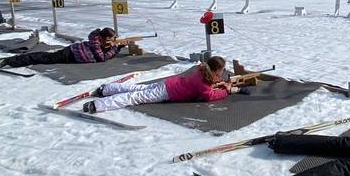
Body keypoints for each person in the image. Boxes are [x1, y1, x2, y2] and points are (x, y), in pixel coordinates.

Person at [83, 55, 238, 113]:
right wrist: (227, 91)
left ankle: (106, 89)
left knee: (137, 88)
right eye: (222, 70)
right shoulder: (204, 80)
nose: (222, 73)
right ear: (216, 69)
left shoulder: (202, 70)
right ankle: (97, 105)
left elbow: (210, 82)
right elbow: (209, 96)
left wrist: (222, 83)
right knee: (135, 97)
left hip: (168, 84)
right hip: (168, 92)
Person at [0, 28, 123, 68]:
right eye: (110, 39)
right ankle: (10, 61)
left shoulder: (97, 40)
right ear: (103, 38)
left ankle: (13, 60)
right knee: (43, 58)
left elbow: (102, 51)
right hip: (70, 54)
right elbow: (101, 58)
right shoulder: (96, 43)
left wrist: (114, 46)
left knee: (45, 57)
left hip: (72, 52)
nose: (112, 42)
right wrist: (116, 49)